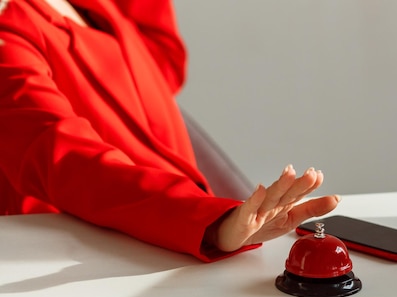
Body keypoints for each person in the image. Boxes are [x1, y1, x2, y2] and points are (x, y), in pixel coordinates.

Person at [0, 0, 339, 261]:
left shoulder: (96, 7)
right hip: (103, 264)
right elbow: (67, 160)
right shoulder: (9, 29)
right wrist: (211, 223)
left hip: (180, 246)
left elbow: (165, 60)